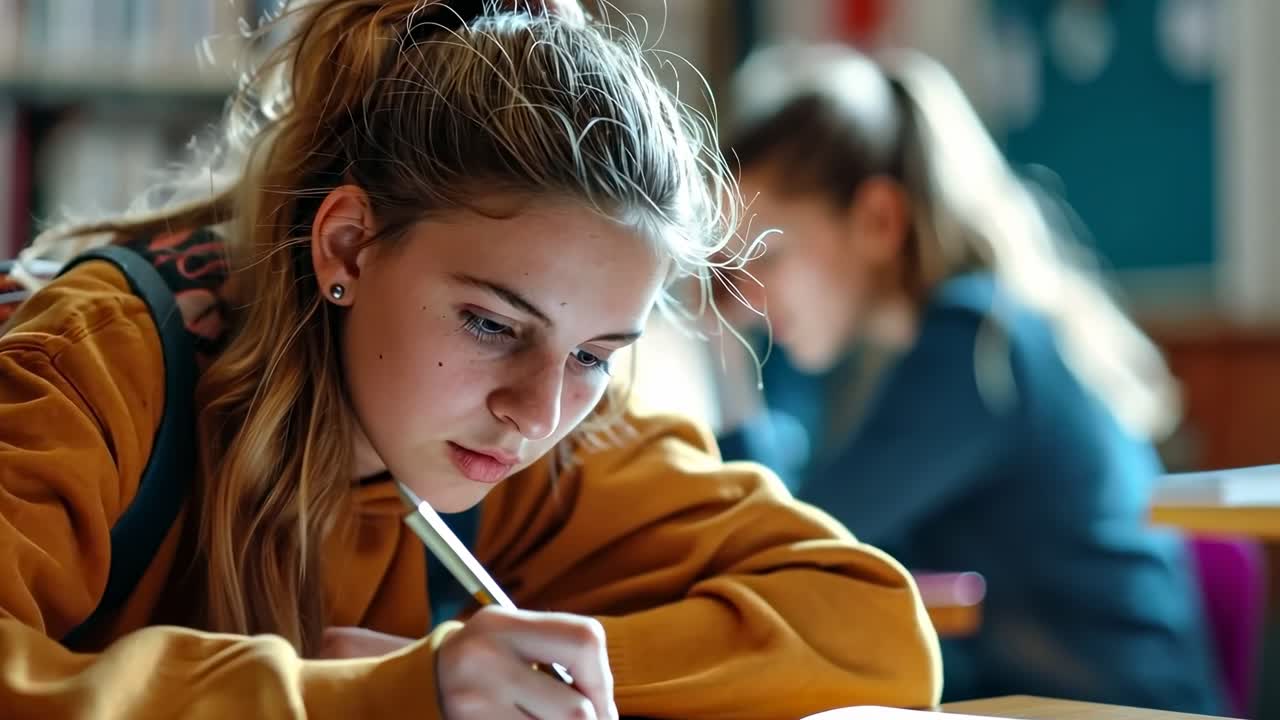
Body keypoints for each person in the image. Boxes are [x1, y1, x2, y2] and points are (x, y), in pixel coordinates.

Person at [0, 3, 944, 719]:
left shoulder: (551, 448)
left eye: (596, 354)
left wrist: (532, 675)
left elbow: (869, 628)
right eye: (492, 325)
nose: (537, 413)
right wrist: (383, 696)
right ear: (348, 247)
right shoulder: (101, 357)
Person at [714, 43, 1223, 713]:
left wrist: (720, 354)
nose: (743, 297)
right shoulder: (949, 338)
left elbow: (790, 541)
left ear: (878, 220)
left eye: (767, 256)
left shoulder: (976, 343)